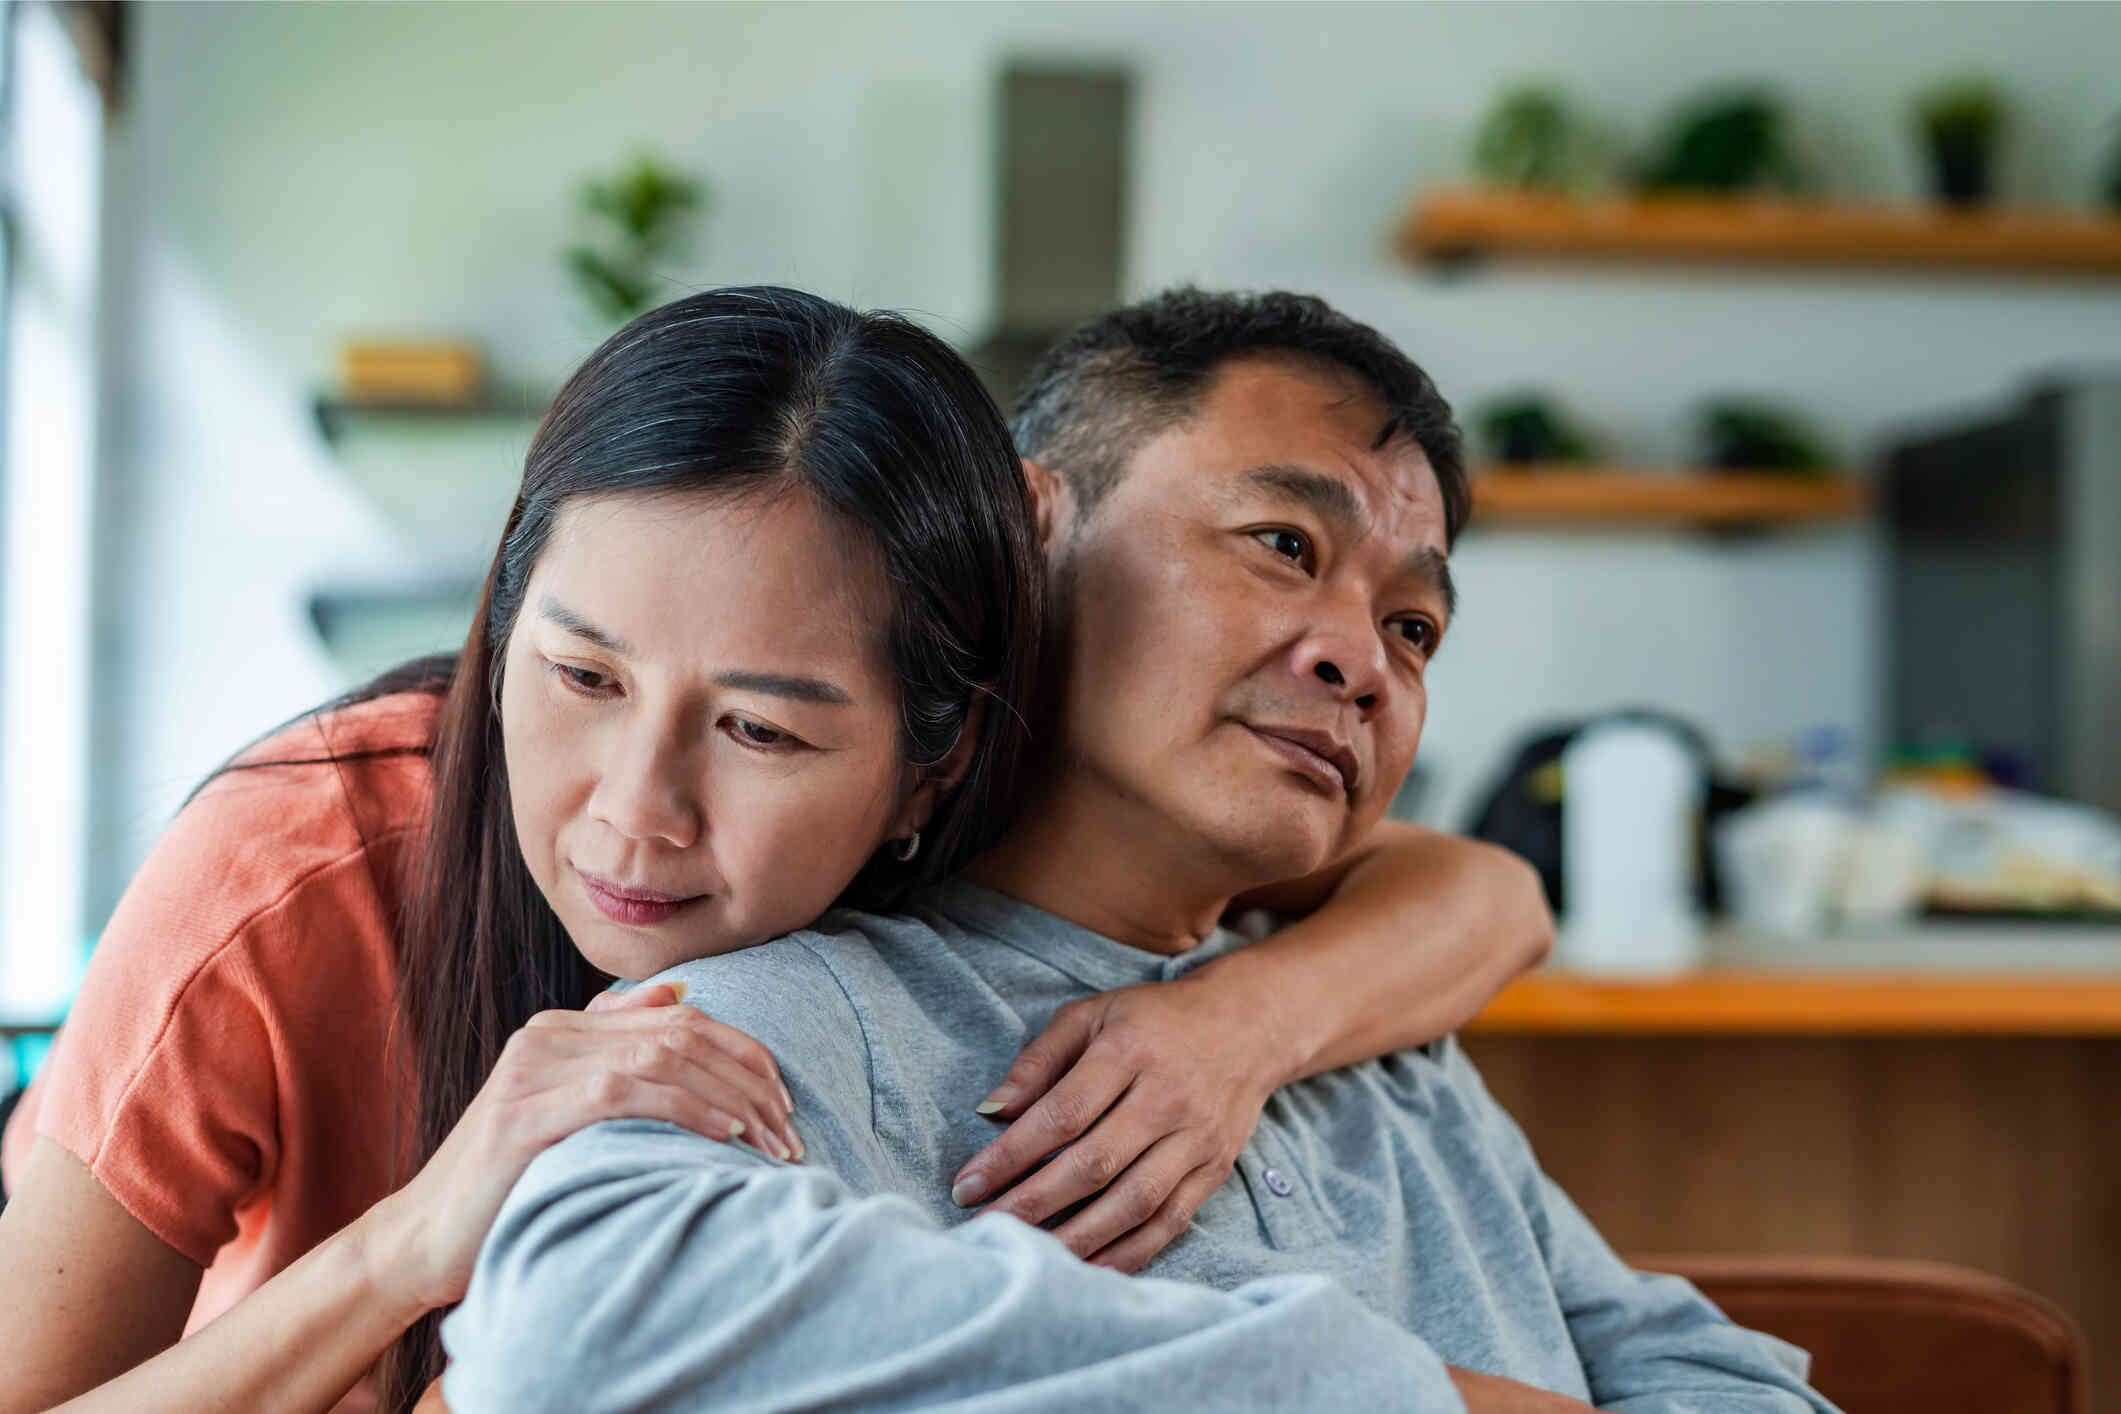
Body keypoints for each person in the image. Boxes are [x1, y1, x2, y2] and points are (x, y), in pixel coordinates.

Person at [0, 287, 1551, 1414]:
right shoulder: (303, 860)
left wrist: (1229, 1027)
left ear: (926, 765)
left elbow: (1477, 894)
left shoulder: (1006, 852)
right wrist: (411, 1240)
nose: (633, 814)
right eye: (582, 675)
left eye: (764, 730)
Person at [435, 289, 1836, 1414]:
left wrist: (1256, 1018)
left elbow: (1716, 1376)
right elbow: (573, 1322)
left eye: (1414, 627)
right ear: (1032, 523)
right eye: (1284, 542)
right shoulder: (794, 1010)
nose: (1360, 657)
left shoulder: (1384, 1041)